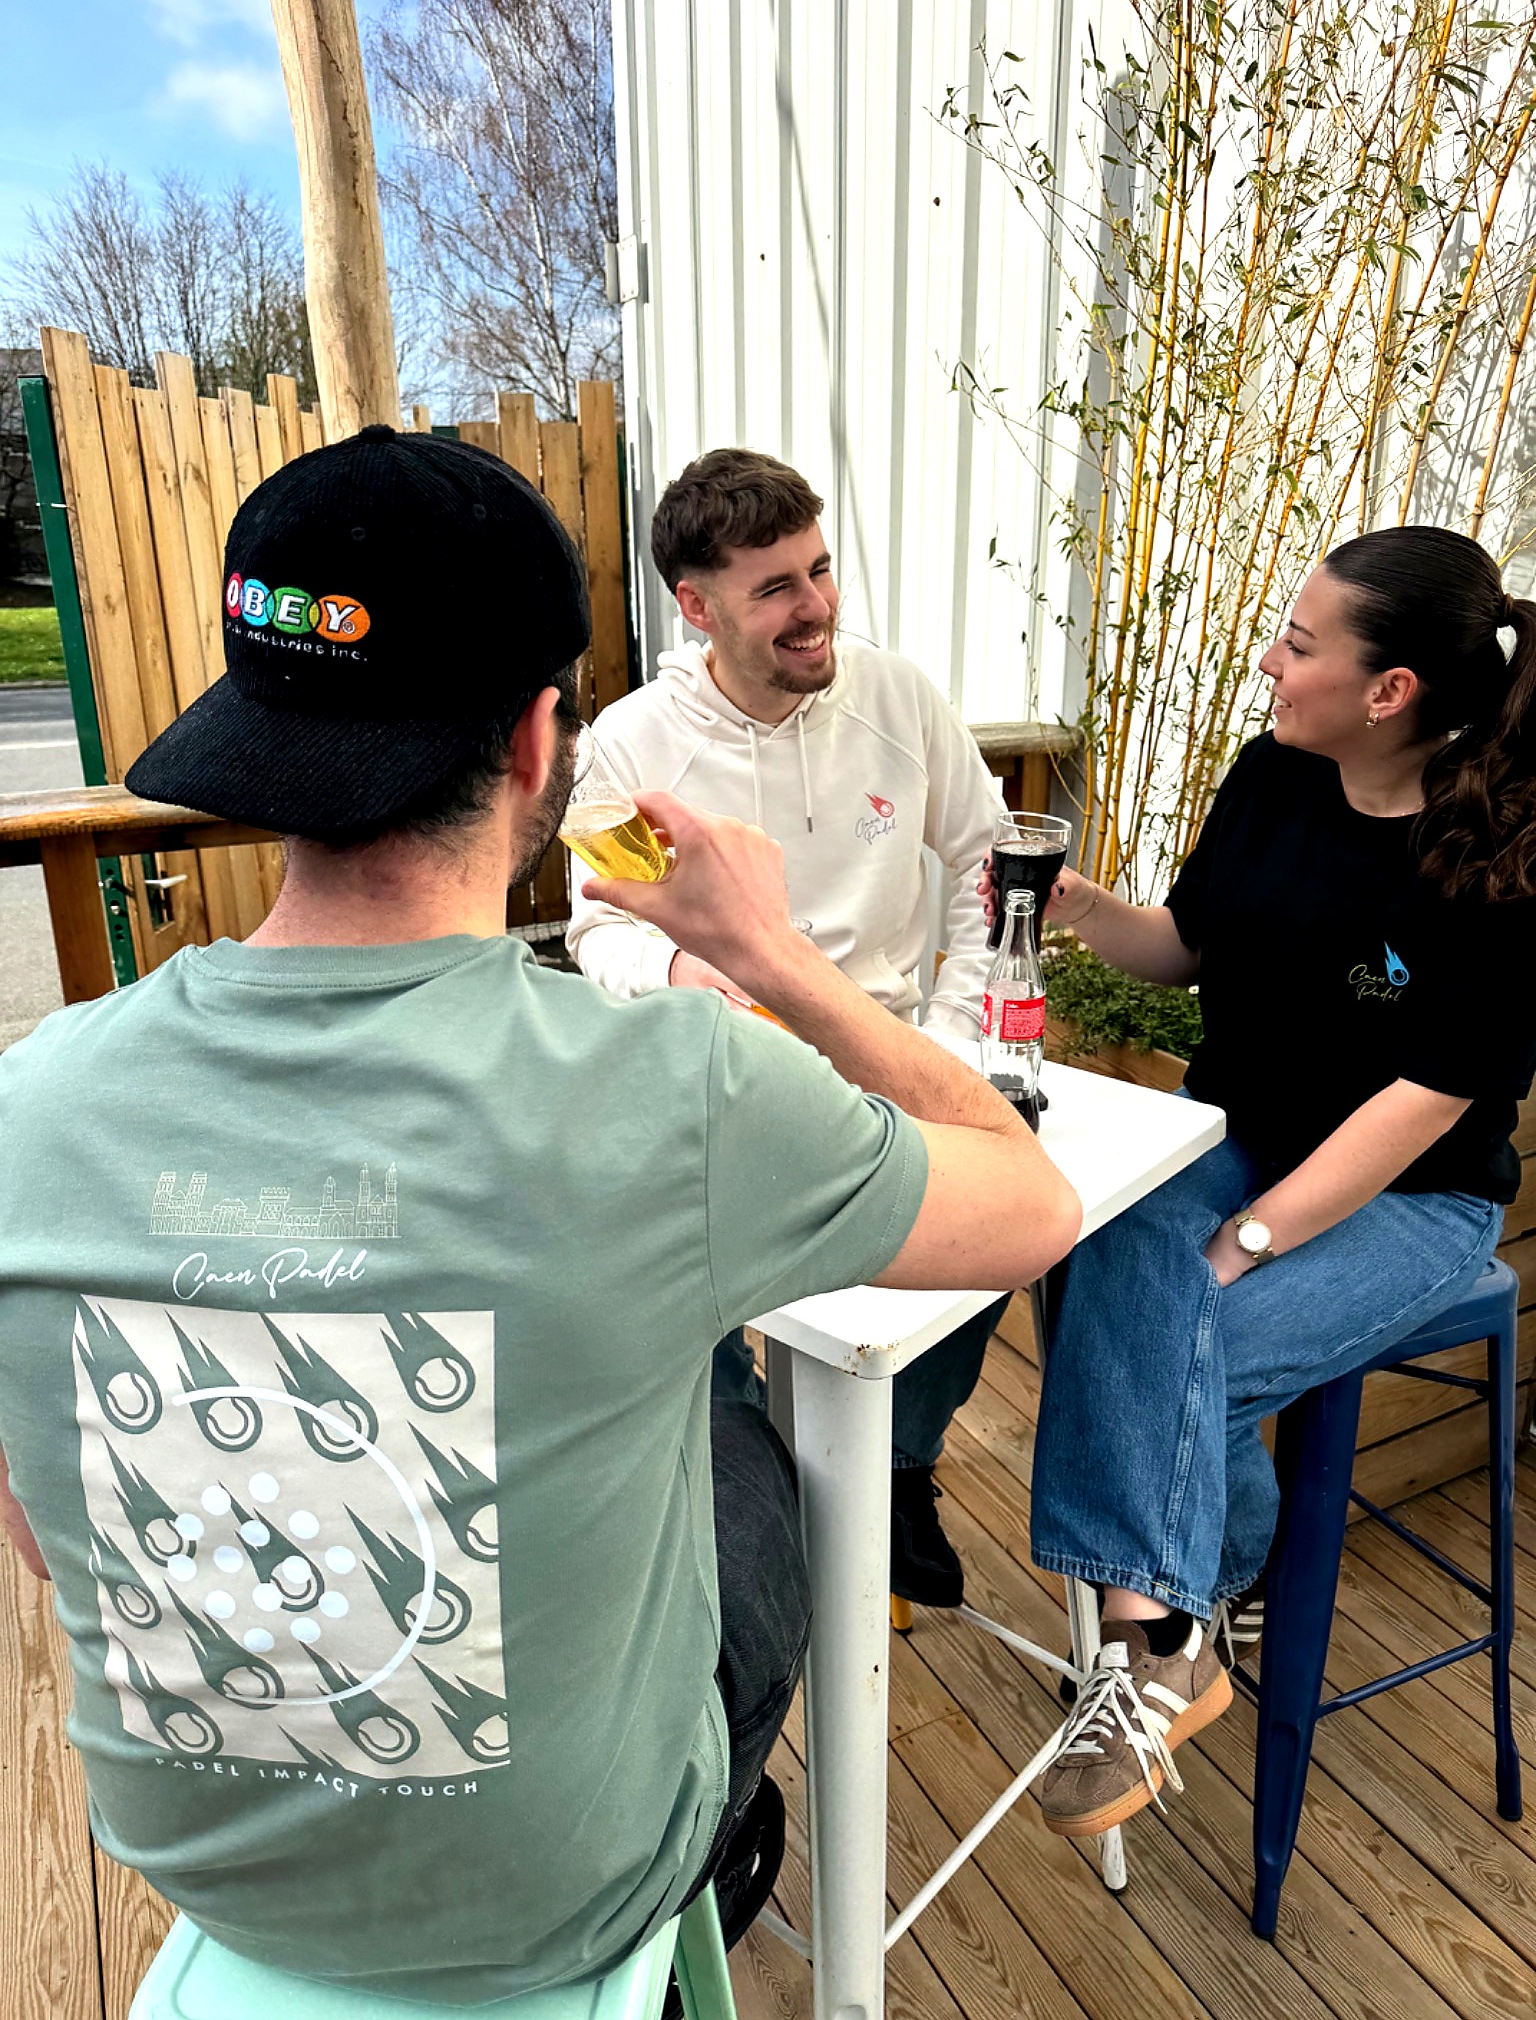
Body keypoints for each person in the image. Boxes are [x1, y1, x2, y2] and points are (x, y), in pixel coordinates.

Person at [0, 425, 1080, 2003]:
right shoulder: (667, 1090)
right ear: (532, 742)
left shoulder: (33, 1102)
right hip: (572, 1891)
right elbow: (1034, 1204)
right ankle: (721, 1837)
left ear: (258, 725)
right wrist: (774, 957)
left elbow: (44, 1543)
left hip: (198, 1867)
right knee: (726, 1423)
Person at [1012, 526, 1536, 1841]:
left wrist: (1248, 1238)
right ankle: (1188, 1612)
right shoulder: (1272, 775)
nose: (1268, 663)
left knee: (1168, 1340)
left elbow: (1427, 1102)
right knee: (1101, 1245)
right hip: (1235, 1131)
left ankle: (1156, 1639)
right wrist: (1074, 904)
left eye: (1298, 646)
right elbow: (1186, 947)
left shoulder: (1498, 852)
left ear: (1389, 691)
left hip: (1414, 1194)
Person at [566, 446, 1015, 1608]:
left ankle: (900, 1466)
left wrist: (951, 1035)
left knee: (1003, 1227)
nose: (816, 606)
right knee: (672, 1285)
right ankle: (750, 1492)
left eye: (818, 570)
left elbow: (991, 864)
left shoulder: (899, 697)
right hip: (716, 1076)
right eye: (776, 588)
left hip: (888, 1060)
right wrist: (676, 966)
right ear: (697, 606)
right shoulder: (629, 744)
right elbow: (597, 927)